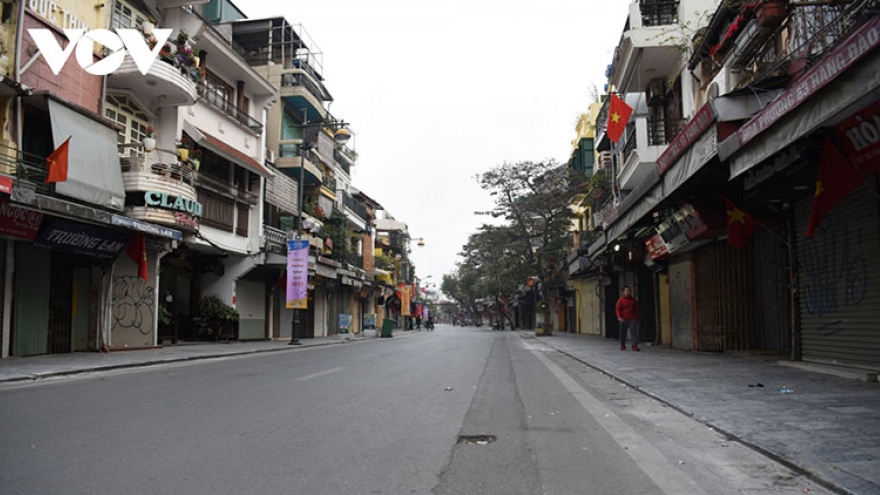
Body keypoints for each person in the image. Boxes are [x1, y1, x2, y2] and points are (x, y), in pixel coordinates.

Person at [615, 286, 640, 351]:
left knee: (634, 333)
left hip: (632, 319)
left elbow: (636, 310)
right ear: (623, 292)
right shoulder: (620, 300)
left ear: (630, 291)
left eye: (628, 290)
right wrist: (619, 317)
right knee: (622, 333)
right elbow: (618, 309)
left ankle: (634, 346)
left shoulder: (633, 300)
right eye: (626, 290)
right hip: (623, 319)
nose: (627, 292)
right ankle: (622, 345)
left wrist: (637, 319)